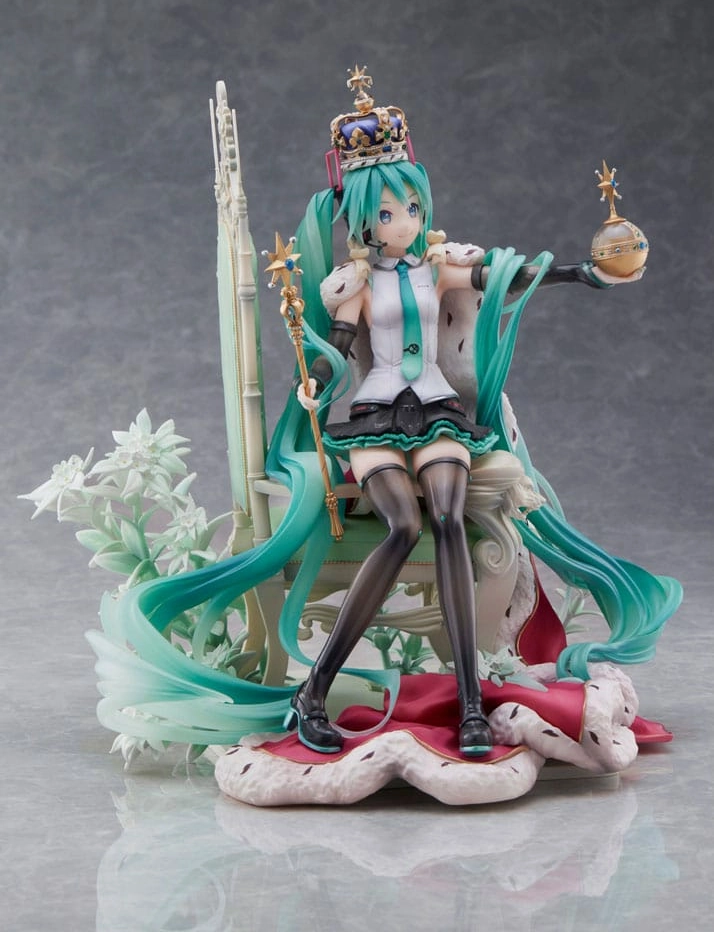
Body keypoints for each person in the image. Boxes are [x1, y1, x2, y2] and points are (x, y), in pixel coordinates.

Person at [85, 68, 681, 757]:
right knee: (402, 525)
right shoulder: (356, 283)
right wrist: (313, 382)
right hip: (373, 413)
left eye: (413, 207)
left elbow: (508, 276)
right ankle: (313, 693)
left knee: (449, 518)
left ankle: (470, 705)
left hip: (439, 410)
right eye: (391, 213)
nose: (406, 222)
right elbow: (339, 350)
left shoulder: (440, 265)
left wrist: (584, 272)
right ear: (365, 220)